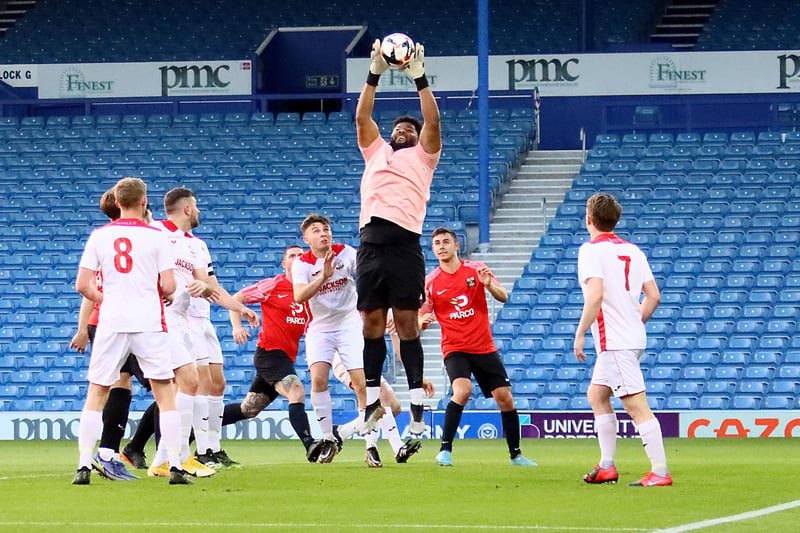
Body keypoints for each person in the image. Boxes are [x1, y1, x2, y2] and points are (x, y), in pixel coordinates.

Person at [72, 177, 190, 485]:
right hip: (148, 321)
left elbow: (83, 285)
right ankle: (175, 467)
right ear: (143, 202)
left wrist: (106, 298)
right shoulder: (157, 237)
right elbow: (169, 285)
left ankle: (84, 466)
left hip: (111, 321)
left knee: (97, 392)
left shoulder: (99, 236)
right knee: (165, 393)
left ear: (117, 203)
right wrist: (161, 293)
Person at [355, 37, 442, 435]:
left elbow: (434, 123)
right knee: (371, 324)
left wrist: (418, 77)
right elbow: (362, 118)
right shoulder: (375, 152)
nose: (404, 130)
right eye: (399, 127)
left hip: (406, 244)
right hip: (371, 245)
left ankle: (419, 415)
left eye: (410, 128)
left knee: (407, 325)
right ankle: (372, 403)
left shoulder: (424, 157)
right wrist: (374, 72)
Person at [145, 187, 259, 478]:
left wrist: (238, 307)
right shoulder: (155, 232)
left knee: (194, 383)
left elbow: (209, 284)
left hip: (185, 318)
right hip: (164, 317)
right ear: (186, 209)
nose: (197, 211)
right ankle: (180, 455)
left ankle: (171, 457)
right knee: (189, 382)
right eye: (195, 207)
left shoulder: (194, 245)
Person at [573, 193, 672, 487]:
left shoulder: (590, 251)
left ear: (589, 219)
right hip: (629, 337)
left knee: (635, 405)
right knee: (597, 395)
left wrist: (580, 333)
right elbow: (653, 296)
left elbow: (596, 295)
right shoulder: (633, 250)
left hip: (614, 340)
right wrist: (635, 320)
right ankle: (606, 466)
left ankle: (660, 471)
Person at [419, 227, 536, 467]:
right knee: (462, 391)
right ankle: (445, 450)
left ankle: (516, 455)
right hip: (455, 348)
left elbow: (503, 296)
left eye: (446, 242)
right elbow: (421, 318)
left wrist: (488, 285)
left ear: (456, 246)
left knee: (505, 398)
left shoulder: (476, 269)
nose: (441, 246)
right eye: (437, 243)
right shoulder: (430, 282)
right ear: (433, 249)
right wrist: (423, 321)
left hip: (483, 346)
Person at [221, 245, 326, 462]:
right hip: (269, 354)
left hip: (285, 358)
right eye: (292, 256)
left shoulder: (311, 293)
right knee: (296, 390)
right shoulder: (273, 285)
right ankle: (310, 444)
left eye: (300, 255)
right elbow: (236, 299)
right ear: (284, 263)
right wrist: (237, 326)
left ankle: (197, 429)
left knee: (248, 409)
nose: (297, 259)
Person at [70, 188, 147, 481]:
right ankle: (114, 453)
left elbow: (87, 288)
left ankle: (95, 458)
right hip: (128, 320)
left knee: (112, 387)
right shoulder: (140, 238)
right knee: (160, 386)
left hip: (103, 320)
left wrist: (82, 328)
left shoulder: (103, 241)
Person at [292, 214, 382, 462]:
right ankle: (328, 439)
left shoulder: (346, 253)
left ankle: (371, 446)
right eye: (316, 230)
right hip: (319, 327)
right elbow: (299, 296)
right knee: (318, 379)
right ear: (306, 238)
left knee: (361, 383)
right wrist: (323, 275)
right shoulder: (302, 264)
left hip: (349, 323)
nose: (323, 234)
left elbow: (366, 280)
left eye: (326, 229)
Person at [331, 349, 431, 467]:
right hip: (347, 359)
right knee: (377, 398)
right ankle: (384, 448)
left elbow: (400, 346)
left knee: (394, 406)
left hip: (366, 359)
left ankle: (342, 432)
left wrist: (418, 376)